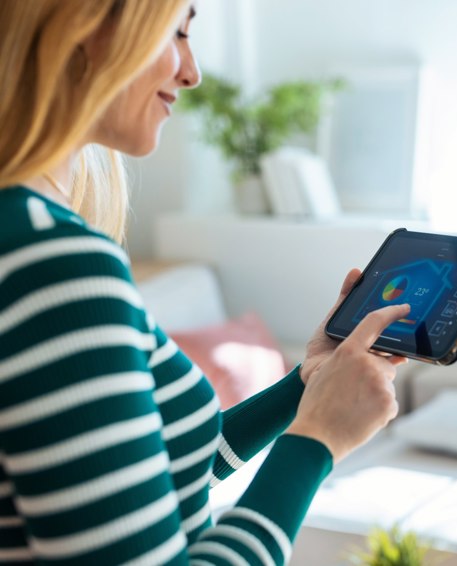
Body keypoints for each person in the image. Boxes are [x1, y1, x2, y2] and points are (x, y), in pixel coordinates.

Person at [0, 1, 410, 564]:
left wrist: (305, 387)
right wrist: (317, 442)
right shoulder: (55, 266)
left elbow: (156, 474)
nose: (191, 72)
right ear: (82, 29)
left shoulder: (26, 239)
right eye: (176, 32)